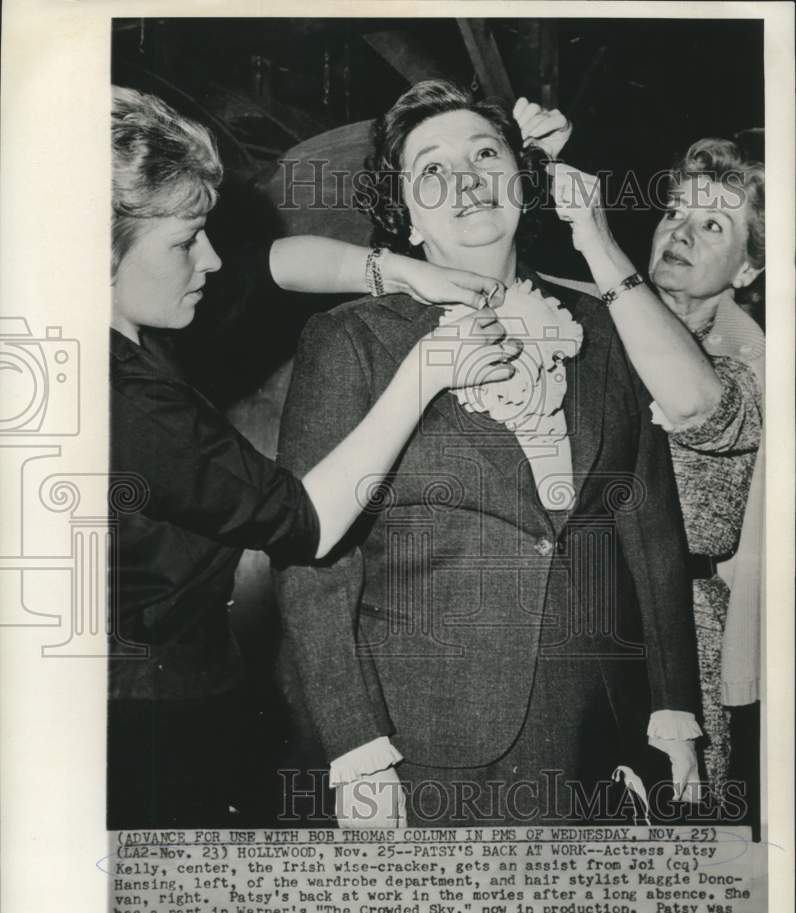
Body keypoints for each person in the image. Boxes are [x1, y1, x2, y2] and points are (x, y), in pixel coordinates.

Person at [274, 79, 703, 829]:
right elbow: (314, 568)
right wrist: (356, 748)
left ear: (524, 180)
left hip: (602, 726)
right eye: (431, 169)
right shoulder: (351, 341)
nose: (466, 179)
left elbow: (650, 527)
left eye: (484, 154)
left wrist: (672, 710)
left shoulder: (607, 327)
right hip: (426, 735)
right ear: (404, 214)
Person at [107, 85, 522, 828]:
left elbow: (270, 262)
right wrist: (424, 372)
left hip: (193, 678)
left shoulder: (125, 314)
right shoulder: (121, 401)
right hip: (142, 716)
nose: (211, 257)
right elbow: (305, 521)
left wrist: (403, 272)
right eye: (185, 242)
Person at [541, 128, 764, 816]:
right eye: (674, 212)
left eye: (713, 225)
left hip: (682, 645)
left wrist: (598, 240)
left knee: (671, 837)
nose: (681, 232)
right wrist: (529, 160)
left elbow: (695, 403)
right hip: (568, 614)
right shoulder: (581, 321)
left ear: (749, 270)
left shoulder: (758, 369)